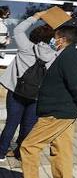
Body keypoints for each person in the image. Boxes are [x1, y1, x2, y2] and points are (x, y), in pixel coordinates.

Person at [9, 24, 77, 178]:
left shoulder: (69, 56)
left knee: (29, 147)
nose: (53, 40)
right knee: (61, 151)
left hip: (57, 113)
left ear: (62, 39)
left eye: (55, 37)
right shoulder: (66, 55)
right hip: (61, 111)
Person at [0, 12, 57, 160]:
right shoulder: (54, 56)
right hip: (37, 96)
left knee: (11, 123)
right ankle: (21, 154)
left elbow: (18, 30)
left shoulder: (26, 47)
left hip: (16, 92)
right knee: (28, 126)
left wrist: (36, 16)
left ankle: (1, 153)